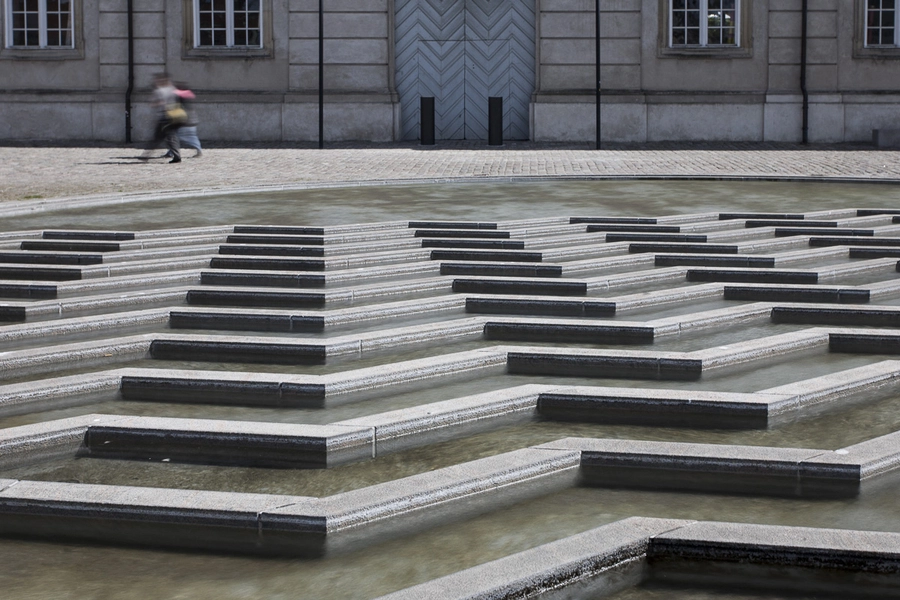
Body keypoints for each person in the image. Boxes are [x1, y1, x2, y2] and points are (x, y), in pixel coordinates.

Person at [140, 73, 185, 164]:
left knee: (159, 137)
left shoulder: (159, 91)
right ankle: (176, 156)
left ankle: (146, 155)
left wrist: (155, 104)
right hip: (173, 116)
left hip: (165, 117)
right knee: (170, 137)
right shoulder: (172, 89)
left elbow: (158, 103)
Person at [162, 83, 202, 159]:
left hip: (184, 121)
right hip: (188, 121)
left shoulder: (180, 98)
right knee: (189, 137)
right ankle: (171, 152)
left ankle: (171, 152)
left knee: (178, 137)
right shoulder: (187, 96)